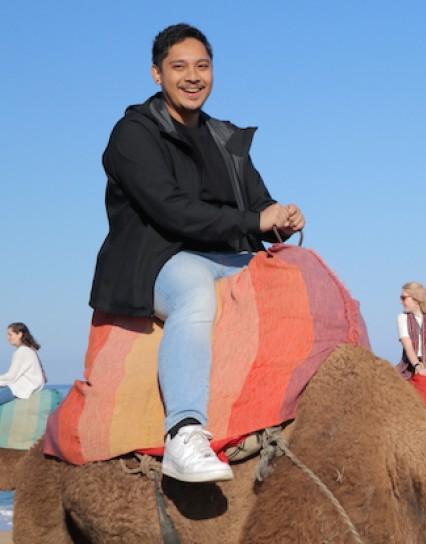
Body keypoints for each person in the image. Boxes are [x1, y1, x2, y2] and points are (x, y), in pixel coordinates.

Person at [89, 24, 305, 483]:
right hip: (158, 259)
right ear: (157, 75)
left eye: (202, 66)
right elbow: (172, 213)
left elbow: (257, 201)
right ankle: (184, 431)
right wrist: (254, 222)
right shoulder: (132, 134)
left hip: (226, 255)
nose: (193, 77)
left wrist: (278, 214)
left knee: (304, 281)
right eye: (179, 67)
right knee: (195, 294)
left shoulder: (226, 137)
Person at [1, 323, 46, 405]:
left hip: (20, 389)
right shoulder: (29, 350)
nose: (8, 338)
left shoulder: (22, 351)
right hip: (25, 387)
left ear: (19, 334)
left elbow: (11, 377)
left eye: (10, 335)